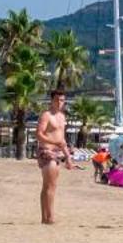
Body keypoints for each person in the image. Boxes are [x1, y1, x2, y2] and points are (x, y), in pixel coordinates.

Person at [33, 90, 70, 225]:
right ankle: (50, 217)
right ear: (51, 100)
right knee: (50, 186)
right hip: (47, 151)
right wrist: (54, 143)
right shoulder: (46, 115)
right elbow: (39, 134)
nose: (60, 103)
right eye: (57, 100)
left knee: (48, 186)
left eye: (62, 100)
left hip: (58, 152)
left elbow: (62, 139)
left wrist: (68, 157)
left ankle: (45, 217)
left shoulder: (62, 116)